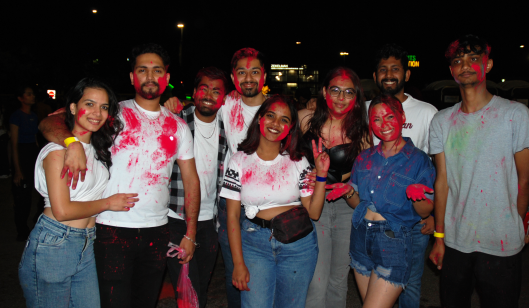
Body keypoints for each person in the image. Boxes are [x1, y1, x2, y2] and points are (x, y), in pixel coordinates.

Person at [39, 43, 200, 308]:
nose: (150, 76)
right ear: (132, 77)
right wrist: (72, 143)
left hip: (157, 231)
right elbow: (50, 122)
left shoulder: (179, 126)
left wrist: (191, 232)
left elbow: (191, 180)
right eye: (142, 70)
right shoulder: (110, 114)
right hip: (109, 228)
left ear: (167, 78)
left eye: (157, 70)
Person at [429, 35, 529, 308]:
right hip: (455, 241)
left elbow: (525, 178)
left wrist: (517, 222)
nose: (465, 65)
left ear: (487, 66)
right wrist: (438, 238)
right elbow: (442, 182)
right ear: (451, 71)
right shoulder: (442, 121)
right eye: (457, 61)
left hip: (501, 241)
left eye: (473, 59)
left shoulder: (516, 115)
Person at [18, 77, 139, 308]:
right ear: (73, 107)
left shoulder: (97, 149)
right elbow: (62, 211)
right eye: (90, 104)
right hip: (55, 242)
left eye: (104, 107)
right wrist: (108, 203)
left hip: (85, 243)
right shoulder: (57, 151)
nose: (97, 112)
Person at [326, 93, 435, 308]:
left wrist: (417, 196)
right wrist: (349, 192)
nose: (383, 124)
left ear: (402, 117)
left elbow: (424, 211)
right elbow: (359, 204)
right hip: (360, 239)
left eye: (389, 117)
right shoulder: (364, 157)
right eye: (376, 119)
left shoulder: (418, 160)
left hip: (392, 242)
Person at [221, 95, 328, 307]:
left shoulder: (297, 160)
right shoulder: (239, 160)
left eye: (284, 120)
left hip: (298, 245)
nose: (275, 124)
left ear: (290, 127)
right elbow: (232, 216)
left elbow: (314, 213)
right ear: (260, 118)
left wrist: (322, 175)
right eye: (270, 116)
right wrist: (238, 262)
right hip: (255, 244)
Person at [367, 44, 438, 308]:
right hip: (374, 218)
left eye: (395, 69)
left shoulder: (427, 112)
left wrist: (432, 214)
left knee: (409, 285)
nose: (388, 74)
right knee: (376, 281)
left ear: (406, 75)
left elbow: (438, 170)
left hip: (412, 218)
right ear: (374, 76)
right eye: (382, 69)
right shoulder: (365, 109)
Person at [298, 67, 369, 308]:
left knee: (339, 279)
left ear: (356, 97)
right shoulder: (305, 119)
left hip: (346, 207)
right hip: (312, 205)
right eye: (335, 90)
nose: (341, 98)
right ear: (324, 91)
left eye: (348, 92)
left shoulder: (363, 132)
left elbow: (367, 175)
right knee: (316, 281)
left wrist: (347, 185)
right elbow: (268, 119)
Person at [167, 67, 228, 308]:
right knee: (186, 290)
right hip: (175, 218)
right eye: (204, 88)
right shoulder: (175, 119)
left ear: (223, 98)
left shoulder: (226, 126)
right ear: (194, 92)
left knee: (200, 288)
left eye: (216, 91)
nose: (209, 95)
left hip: (210, 221)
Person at [10, 85, 40, 241]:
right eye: (28, 94)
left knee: (41, 194)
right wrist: (17, 170)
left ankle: (36, 223)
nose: (32, 96)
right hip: (21, 155)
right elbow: (14, 145)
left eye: (32, 94)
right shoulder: (16, 117)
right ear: (20, 98)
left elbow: (35, 140)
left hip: (32, 155)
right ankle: (22, 231)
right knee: (23, 198)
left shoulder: (34, 116)